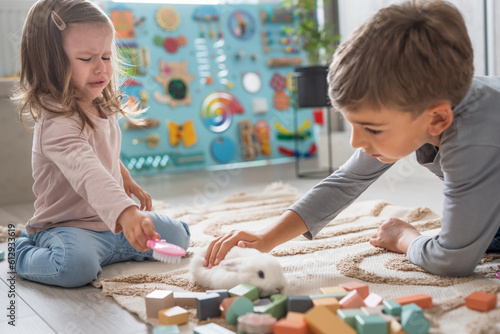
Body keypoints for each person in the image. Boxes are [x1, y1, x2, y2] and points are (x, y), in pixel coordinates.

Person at [205, 0, 500, 277]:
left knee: (474, 240)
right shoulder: (429, 102)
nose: (355, 142)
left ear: (437, 119)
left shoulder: (473, 140)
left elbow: (451, 260)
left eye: (371, 129)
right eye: (353, 125)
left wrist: (404, 238)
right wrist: (266, 237)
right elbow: (346, 180)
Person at [11, 0, 190, 288]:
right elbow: (86, 170)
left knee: (179, 237)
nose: (101, 69)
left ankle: (110, 250)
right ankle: (18, 251)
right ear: (51, 62)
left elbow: (100, 154)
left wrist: (124, 177)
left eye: (106, 57)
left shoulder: (98, 102)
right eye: (87, 59)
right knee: (75, 267)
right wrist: (127, 213)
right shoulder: (56, 122)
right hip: (68, 226)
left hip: (110, 223)